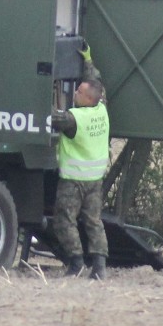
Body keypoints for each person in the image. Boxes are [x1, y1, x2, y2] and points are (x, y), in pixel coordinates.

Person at [51, 41, 110, 280]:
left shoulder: (74, 119)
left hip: (74, 181)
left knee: (64, 221)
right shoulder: (101, 108)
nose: (74, 92)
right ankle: (99, 267)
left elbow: (52, 117)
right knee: (94, 222)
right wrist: (87, 60)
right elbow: (95, 82)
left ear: (86, 98)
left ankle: (75, 263)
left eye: (78, 92)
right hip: (95, 179)